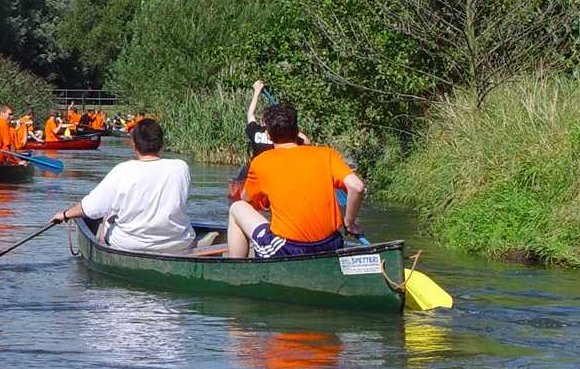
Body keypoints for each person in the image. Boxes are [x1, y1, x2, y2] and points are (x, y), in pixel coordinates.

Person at [226, 103, 365, 259]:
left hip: (287, 249)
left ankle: (234, 270)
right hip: (331, 244)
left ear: (269, 136)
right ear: (298, 131)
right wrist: (349, 222)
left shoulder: (261, 162)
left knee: (237, 207)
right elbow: (357, 187)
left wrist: (265, 201)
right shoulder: (327, 154)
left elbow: (247, 199)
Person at [50, 118, 195, 253]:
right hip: (178, 243)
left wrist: (65, 214)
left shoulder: (122, 170)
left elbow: (91, 208)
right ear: (161, 144)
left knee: (107, 217)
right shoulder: (181, 167)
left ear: (135, 145)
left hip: (129, 244)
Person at [229, 80, 311, 201]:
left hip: (257, 174)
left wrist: (256, 92)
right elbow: (307, 143)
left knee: (244, 170)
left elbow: (250, 114)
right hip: (277, 174)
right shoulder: (285, 134)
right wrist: (290, 126)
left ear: (264, 122)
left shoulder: (256, 131)